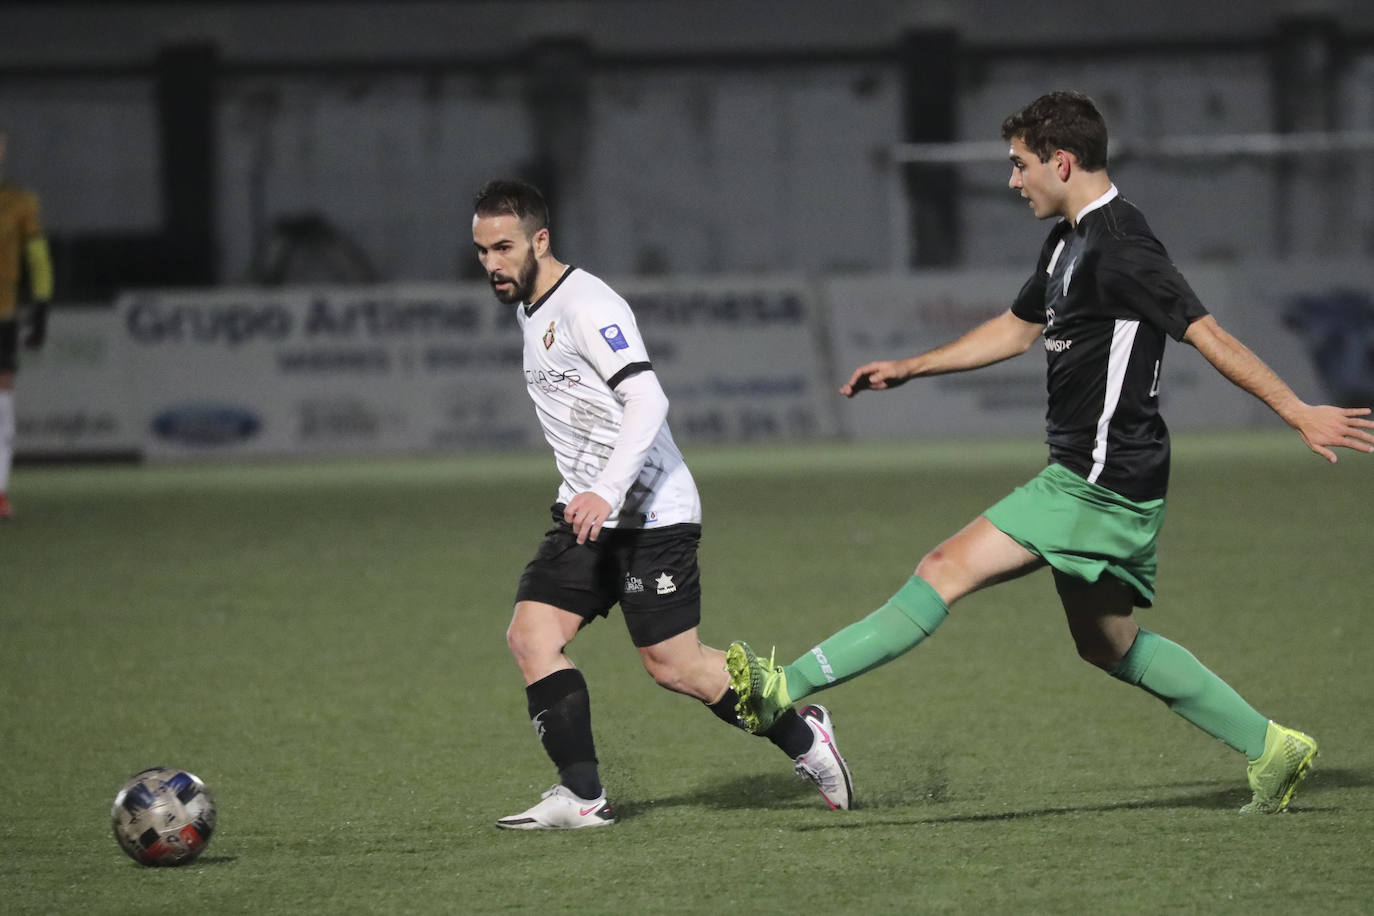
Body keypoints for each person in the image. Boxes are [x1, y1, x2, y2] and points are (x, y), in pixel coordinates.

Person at [727, 91, 1374, 815]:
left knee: (942, 569)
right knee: (1107, 644)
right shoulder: (1068, 242)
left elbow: (1207, 332)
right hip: (1108, 479)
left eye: (1019, 164)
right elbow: (1014, 329)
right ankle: (1273, 746)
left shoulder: (1122, 244)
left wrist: (1296, 411)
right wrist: (912, 366)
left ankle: (783, 691)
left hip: (1096, 480)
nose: (1012, 181)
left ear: (1062, 162)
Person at [471, 179, 853, 829]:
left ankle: (804, 733)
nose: (491, 264)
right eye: (481, 251)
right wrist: (589, 494)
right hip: (586, 515)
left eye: (503, 248)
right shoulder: (529, 308)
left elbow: (648, 399)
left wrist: (608, 488)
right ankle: (583, 797)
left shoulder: (588, 305)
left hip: (651, 514)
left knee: (675, 667)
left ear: (541, 239)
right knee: (531, 637)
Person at [0, 130, 53, 520]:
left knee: (2, 404)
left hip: (1, 316)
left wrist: (42, 307)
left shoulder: (19, 203)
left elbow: (38, 258)